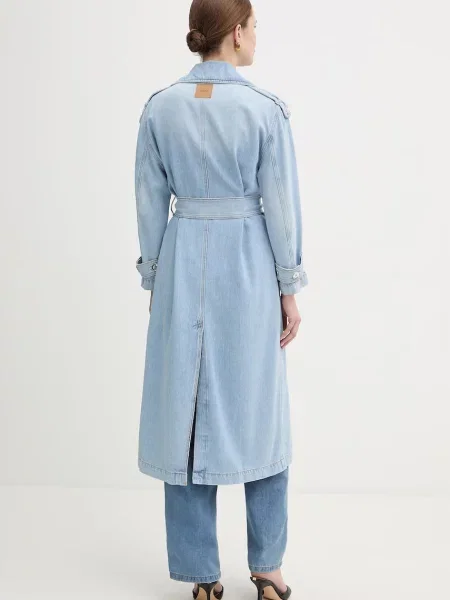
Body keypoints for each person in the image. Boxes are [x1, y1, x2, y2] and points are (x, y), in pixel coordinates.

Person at [134, 1, 308, 598]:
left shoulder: (160, 108)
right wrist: (289, 288)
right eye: (254, 26)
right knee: (262, 414)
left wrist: (155, 279)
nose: (256, 37)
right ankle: (268, 569)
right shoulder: (264, 110)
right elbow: (280, 206)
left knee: (182, 416)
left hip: (182, 260)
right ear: (236, 32)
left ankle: (201, 579)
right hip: (248, 268)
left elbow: (149, 201)